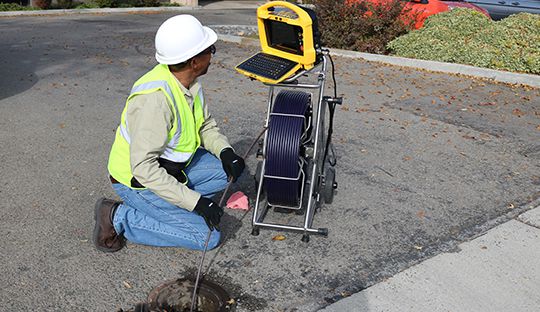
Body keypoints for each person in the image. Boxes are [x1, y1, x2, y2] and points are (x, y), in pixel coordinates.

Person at [93, 15, 245, 253]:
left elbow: (204, 125)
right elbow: (143, 169)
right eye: (210, 50)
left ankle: (168, 205)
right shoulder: (155, 100)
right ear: (194, 61)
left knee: (226, 173)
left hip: (173, 168)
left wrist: (225, 152)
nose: (213, 56)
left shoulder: (188, 82)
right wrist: (196, 202)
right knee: (206, 237)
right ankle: (117, 216)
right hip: (137, 183)